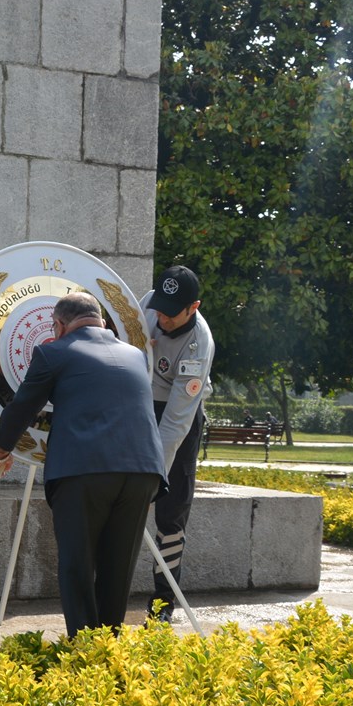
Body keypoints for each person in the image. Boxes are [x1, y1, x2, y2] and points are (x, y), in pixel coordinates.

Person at [0, 292, 164, 636]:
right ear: (100, 320)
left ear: (58, 325)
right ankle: (108, 650)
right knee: (118, 569)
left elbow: (21, 409)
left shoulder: (53, 352)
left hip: (84, 470)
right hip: (143, 471)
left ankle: (84, 653)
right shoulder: (135, 355)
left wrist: (0, 452)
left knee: (77, 566)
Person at [141, 263, 215, 616]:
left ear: (193, 308)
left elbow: (174, 423)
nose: (161, 318)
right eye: (159, 308)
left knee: (170, 513)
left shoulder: (199, 345)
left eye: (171, 314)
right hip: (139, 403)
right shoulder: (148, 305)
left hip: (180, 416)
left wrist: (155, 478)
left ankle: (162, 603)